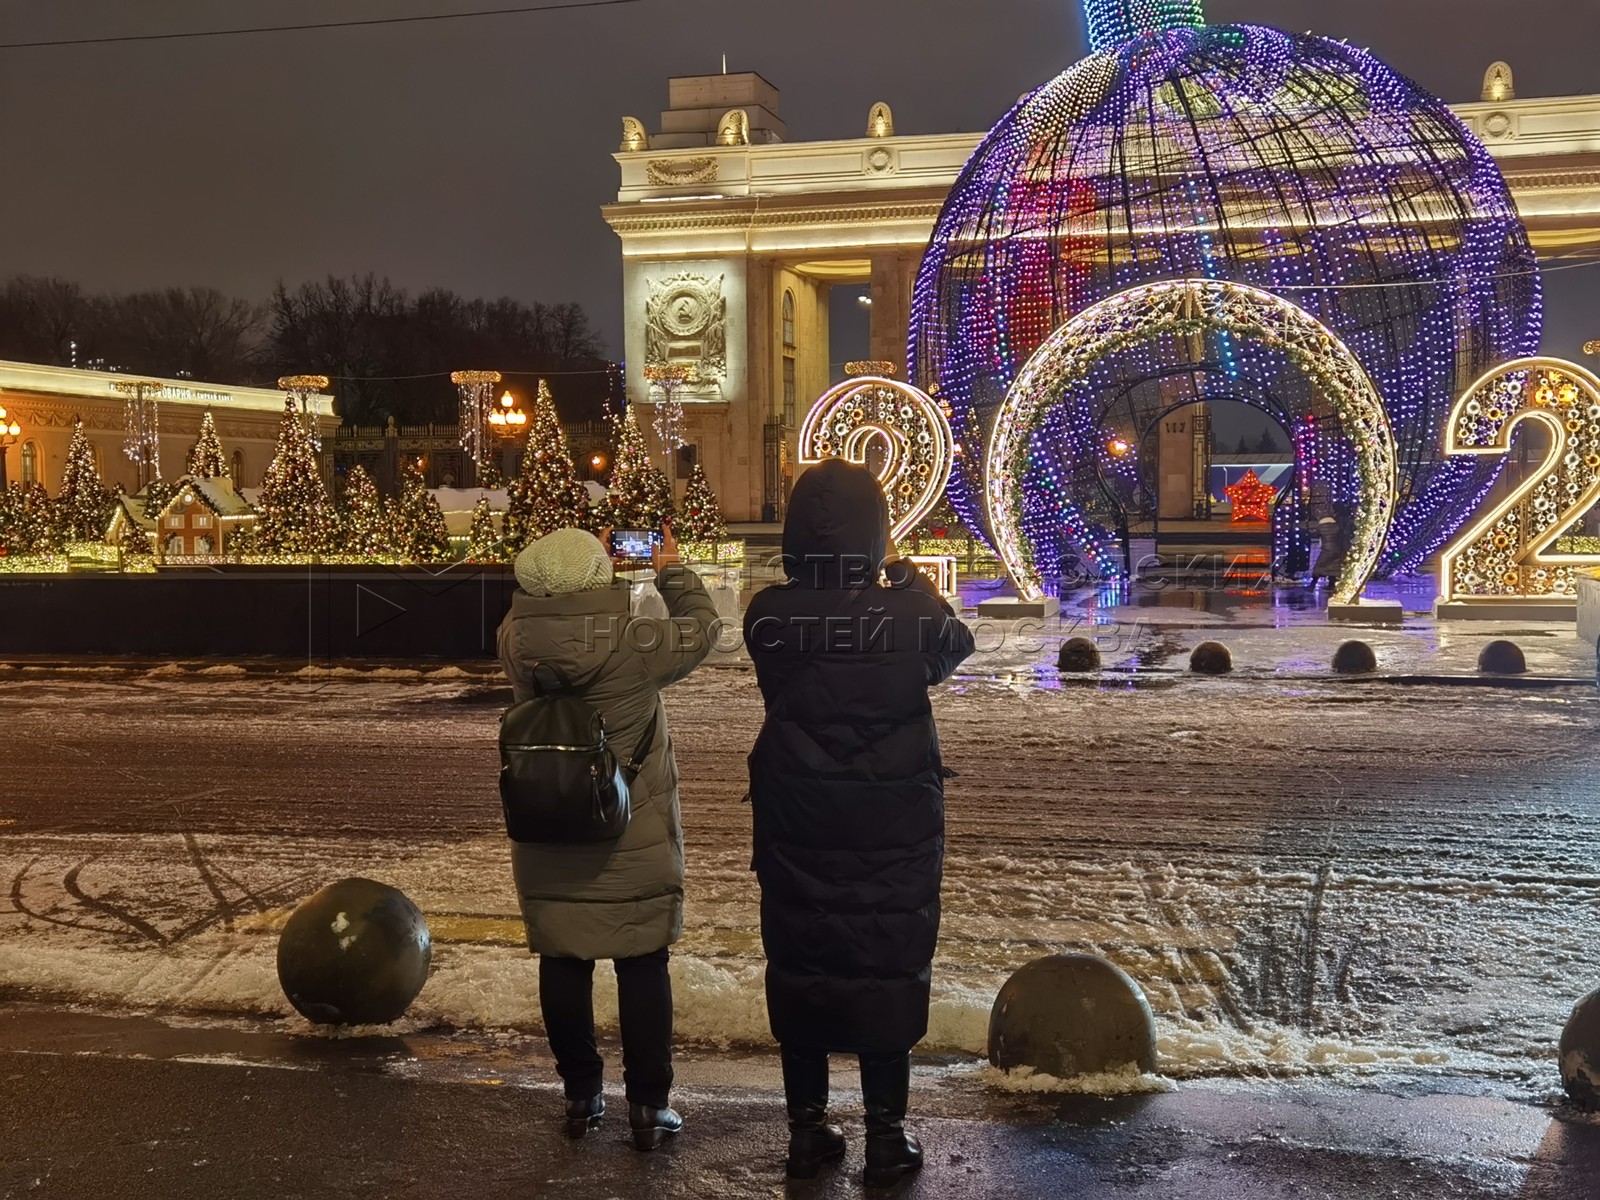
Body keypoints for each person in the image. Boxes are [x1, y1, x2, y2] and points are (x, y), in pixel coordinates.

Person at [743, 459, 976, 1187]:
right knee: (885, 962)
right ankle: (885, 1137)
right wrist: (913, 581)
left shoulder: (767, 614)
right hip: (891, 823)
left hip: (799, 817)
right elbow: (954, 645)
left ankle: (806, 1133)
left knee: (802, 960)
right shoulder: (909, 618)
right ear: (876, 532)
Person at [497, 522, 718, 1151]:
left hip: (549, 824)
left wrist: (581, 567)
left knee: (563, 959)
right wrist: (670, 569)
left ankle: (580, 1097)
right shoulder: (632, 640)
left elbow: (558, 615)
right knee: (643, 962)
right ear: (602, 577)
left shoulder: (514, 638)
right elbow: (703, 629)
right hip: (631, 830)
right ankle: (648, 1107)